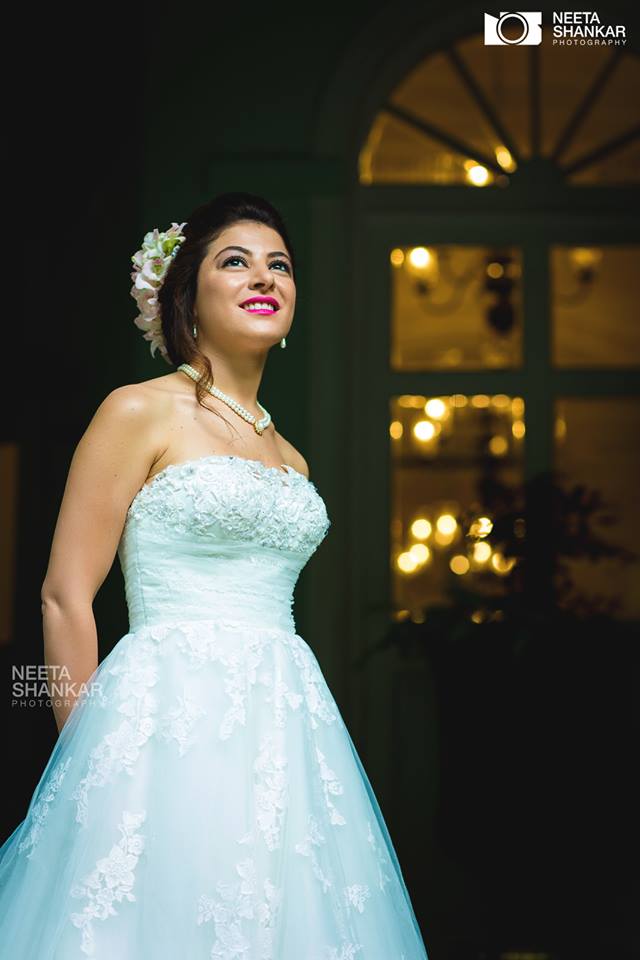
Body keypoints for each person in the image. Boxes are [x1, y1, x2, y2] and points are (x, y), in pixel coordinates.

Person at [0, 192, 430, 958]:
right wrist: (90, 765)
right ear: (186, 297)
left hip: (286, 724)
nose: (264, 277)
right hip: (160, 717)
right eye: (235, 261)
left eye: (280, 266)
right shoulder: (139, 412)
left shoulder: (290, 457)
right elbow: (64, 596)